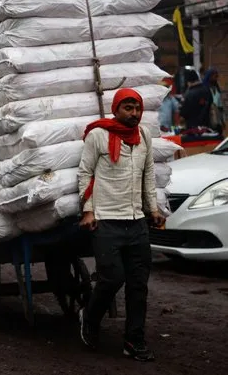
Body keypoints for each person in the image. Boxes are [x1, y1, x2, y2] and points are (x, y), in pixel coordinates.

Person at [77, 88, 166, 362]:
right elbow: (86, 173)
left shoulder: (144, 136)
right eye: (128, 108)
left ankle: (134, 340)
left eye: (137, 108)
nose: (134, 113)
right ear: (116, 109)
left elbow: (148, 173)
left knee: (138, 285)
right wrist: (88, 211)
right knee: (112, 278)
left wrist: (153, 208)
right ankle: (89, 319)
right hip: (106, 221)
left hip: (136, 221)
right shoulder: (98, 135)